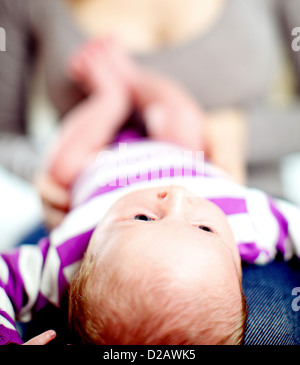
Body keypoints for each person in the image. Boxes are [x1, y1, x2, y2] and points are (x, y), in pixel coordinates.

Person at [1, 40, 300, 345]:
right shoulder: (245, 218)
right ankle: (135, 78)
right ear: (238, 264)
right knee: (184, 125)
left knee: (61, 166)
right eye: (205, 228)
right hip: (182, 151)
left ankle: (111, 97)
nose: (177, 196)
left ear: (85, 265)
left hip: (98, 158)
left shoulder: (62, 258)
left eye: (143, 218)